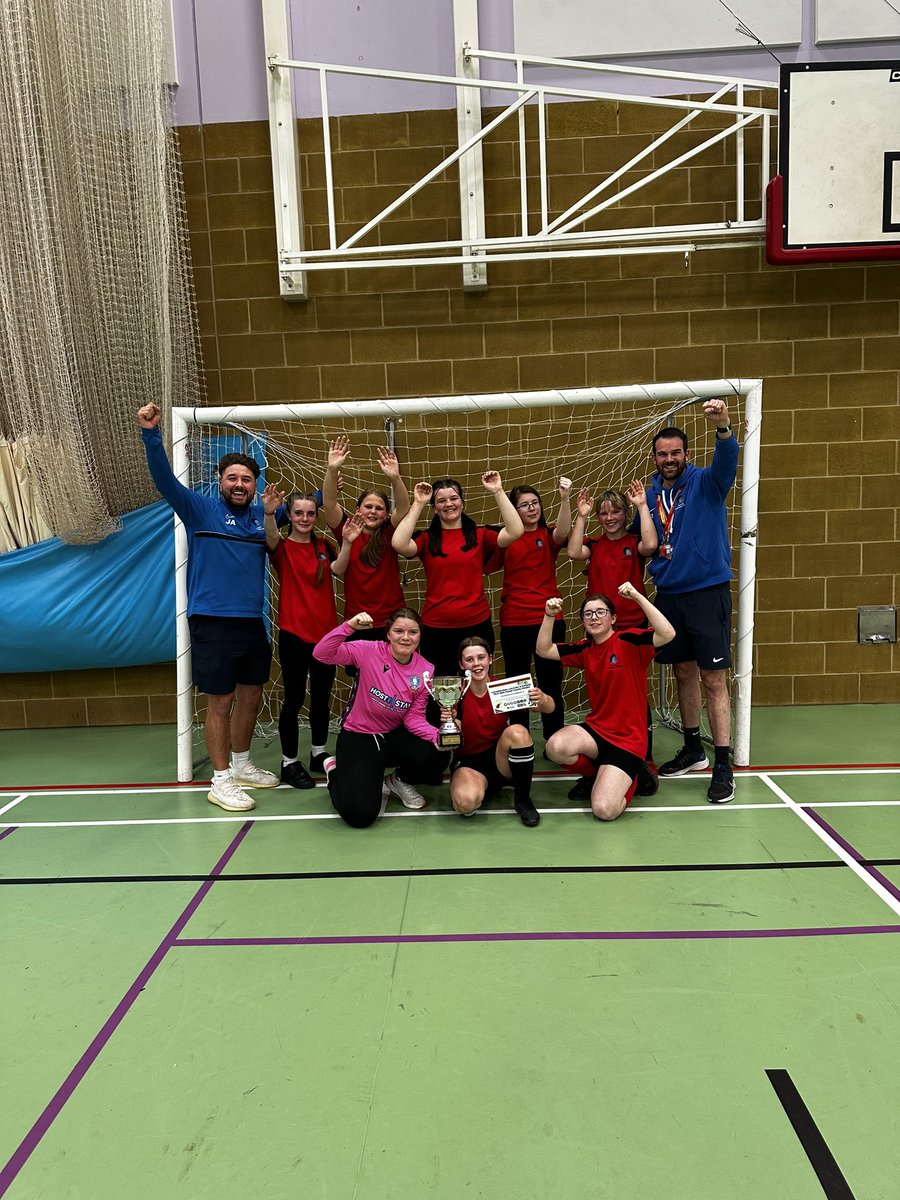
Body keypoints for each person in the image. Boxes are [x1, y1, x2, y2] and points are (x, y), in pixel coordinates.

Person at [137, 402, 279, 812]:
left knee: (252, 694)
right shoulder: (199, 509)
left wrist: (332, 470)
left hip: (253, 623)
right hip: (213, 623)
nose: (240, 484)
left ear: (256, 485)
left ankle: (241, 764)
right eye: (232, 477)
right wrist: (150, 433)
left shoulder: (260, 518)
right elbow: (164, 480)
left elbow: (310, 508)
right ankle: (220, 781)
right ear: (219, 481)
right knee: (220, 701)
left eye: (247, 479)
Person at [639, 399, 739, 803]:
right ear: (655, 457)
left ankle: (723, 762)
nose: (669, 459)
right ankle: (693, 747)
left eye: (675, 453)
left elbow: (727, 463)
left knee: (713, 678)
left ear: (686, 454)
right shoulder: (648, 496)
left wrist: (723, 428)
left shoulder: (706, 482)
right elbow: (641, 541)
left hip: (706, 593)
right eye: (662, 454)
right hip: (669, 597)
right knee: (682, 672)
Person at [537, 585, 675, 821]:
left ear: (613, 618)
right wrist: (549, 616)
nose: (594, 617)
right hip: (597, 731)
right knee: (555, 747)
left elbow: (668, 633)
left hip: (628, 741)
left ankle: (638, 775)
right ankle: (595, 774)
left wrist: (637, 596)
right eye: (588, 614)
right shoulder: (584, 649)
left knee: (604, 810)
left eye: (601, 612)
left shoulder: (630, 641)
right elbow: (544, 650)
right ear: (583, 622)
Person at [312, 607, 450, 827]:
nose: (406, 637)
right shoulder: (367, 651)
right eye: (399, 631)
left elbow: (413, 718)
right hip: (360, 737)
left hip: (394, 736)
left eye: (413, 632)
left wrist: (438, 735)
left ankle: (398, 780)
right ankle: (335, 771)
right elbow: (321, 653)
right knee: (360, 816)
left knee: (439, 754)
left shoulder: (426, 669)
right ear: (388, 633)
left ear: (420, 635)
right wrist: (349, 626)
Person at [567, 480, 659, 796]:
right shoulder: (594, 544)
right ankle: (602, 766)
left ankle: (643, 761)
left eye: (615, 512)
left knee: (634, 695)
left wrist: (642, 506)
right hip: (599, 629)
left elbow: (650, 544)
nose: (609, 518)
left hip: (631, 629)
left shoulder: (633, 541)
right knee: (603, 690)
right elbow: (572, 550)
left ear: (623, 514)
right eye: (603, 513)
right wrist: (581, 515)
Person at [391, 473, 523, 675]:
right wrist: (418, 503)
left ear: (462, 502)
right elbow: (399, 543)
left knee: (476, 685)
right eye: (441, 501)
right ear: (434, 508)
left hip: (476, 625)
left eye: (454, 498)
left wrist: (497, 490)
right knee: (442, 689)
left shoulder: (480, 535)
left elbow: (515, 530)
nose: (449, 504)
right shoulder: (427, 539)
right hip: (436, 628)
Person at [263, 488, 338, 788]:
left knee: (322, 696)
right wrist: (269, 512)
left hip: (327, 637)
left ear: (315, 515)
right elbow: (269, 537)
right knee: (294, 698)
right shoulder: (281, 547)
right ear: (289, 516)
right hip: (294, 635)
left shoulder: (325, 546)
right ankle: (289, 762)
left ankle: (318, 752)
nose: (305, 518)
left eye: (310, 513)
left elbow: (341, 567)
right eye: (298, 513)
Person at [493, 479, 572, 746]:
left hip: (549, 621)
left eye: (535, 503)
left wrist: (564, 498)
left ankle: (555, 740)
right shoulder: (504, 538)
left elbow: (562, 534)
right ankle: (519, 740)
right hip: (515, 620)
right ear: (514, 510)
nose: (531, 509)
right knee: (515, 684)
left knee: (551, 682)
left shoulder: (547, 535)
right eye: (524, 505)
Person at [448, 637, 554, 827]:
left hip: (501, 759)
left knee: (518, 732)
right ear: (461, 664)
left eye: (481, 658)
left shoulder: (504, 689)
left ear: (490, 659)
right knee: (466, 804)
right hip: (470, 762)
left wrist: (542, 698)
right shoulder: (454, 693)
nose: (476, 664)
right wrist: (449, 722)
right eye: (469, 660)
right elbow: (450, 740)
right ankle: (478, 787)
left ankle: (522, 800)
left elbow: (549, 708)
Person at [321, 435, 410, 638]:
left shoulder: (389, 532)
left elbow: (404, 507)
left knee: (392, 670)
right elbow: (329, 504)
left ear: (386, 514)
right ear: (357, 509)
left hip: (391, 619)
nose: (372, 511)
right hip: (358, 619)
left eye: (379, 508)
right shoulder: (347, 528)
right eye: (368, 506)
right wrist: (332, 469)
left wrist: (395, 477)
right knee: (362, 670)